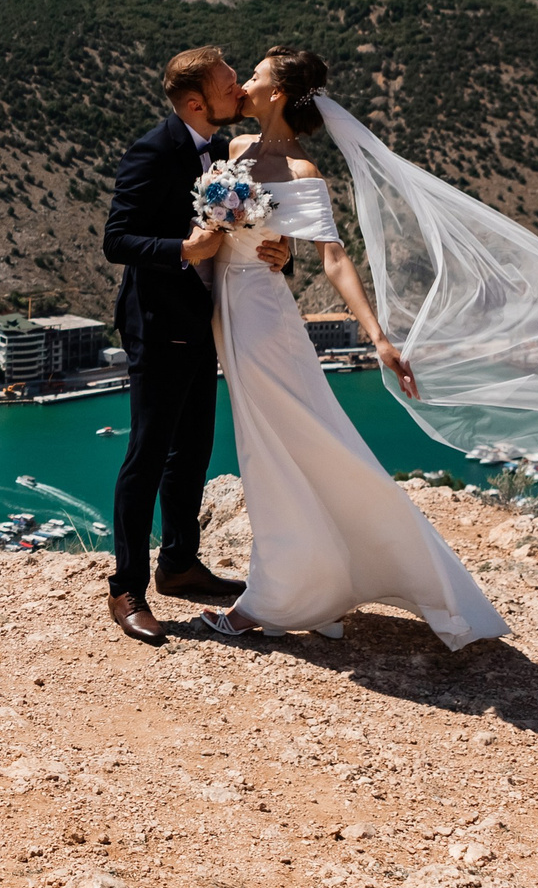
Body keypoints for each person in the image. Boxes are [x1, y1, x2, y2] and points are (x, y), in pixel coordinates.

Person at [193, 46, 509, 649]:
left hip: (262, 317)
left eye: (255, 76)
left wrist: (379, 338)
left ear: (278, 92)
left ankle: (274, 597)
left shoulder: (306, 174)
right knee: (276, 446)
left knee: (276, 449)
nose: (246, 84)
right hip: (223, 311)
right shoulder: (231, 152)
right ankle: (320, 582)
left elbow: (334, 259)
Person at [99, 45, 289, 646]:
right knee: (147, 456)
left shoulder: (230, 153)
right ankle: (126, 587)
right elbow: (117, 239)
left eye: (239, 82)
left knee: (193, 451)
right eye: (229, 85)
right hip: (157, 323)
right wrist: (182, 250)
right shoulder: (154, 150)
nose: (239, 92)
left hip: (206, 322)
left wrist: (279, 254)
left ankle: (179, 564)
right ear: (194, 102)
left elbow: (253, 230)